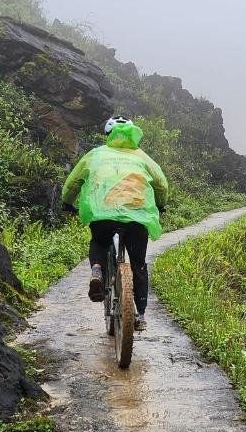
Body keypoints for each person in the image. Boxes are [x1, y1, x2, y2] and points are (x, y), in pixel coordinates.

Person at [61, 116, 170, 330]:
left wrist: (67, 202)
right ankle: (140, 314)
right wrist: (160, 204)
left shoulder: (95, 154)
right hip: (137, 215)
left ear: (108, 135)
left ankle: (97, 270)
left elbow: (73, 182)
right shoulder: (142, 156)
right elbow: (161, 184)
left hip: (102, 213)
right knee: (138, 264)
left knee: (100, 241)